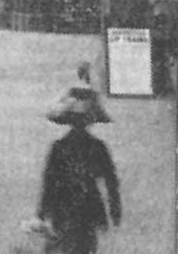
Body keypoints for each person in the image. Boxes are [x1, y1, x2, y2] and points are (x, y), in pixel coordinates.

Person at [38, 78, 121, 254]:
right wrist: (43, 211)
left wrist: (115, 207)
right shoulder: (60, 148)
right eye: (77, 120)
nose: (80, 125)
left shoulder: (95, 148)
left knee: (82, 247)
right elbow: (49, 180)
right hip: (67, 210)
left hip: (81, 211)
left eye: (82, 120)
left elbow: (110, 180)